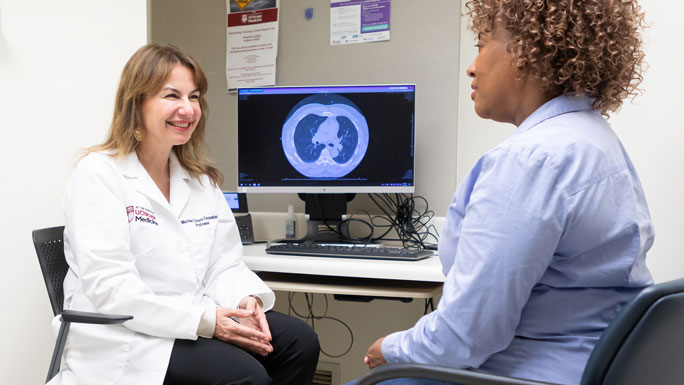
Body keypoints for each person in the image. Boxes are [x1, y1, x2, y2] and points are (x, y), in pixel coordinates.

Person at [358, 0, 653, 384]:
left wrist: (390, 348)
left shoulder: (530, 160)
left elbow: (467, 335)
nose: (472, 66)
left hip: (523, 373)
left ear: (530, 52)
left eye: (481, 45)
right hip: (598, 368)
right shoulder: (593, 139)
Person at [51, 44, 319, 385]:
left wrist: (245, 300)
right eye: (172, 96)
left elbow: (223, 264)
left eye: (193, 97)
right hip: (126, 334)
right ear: (137, 103)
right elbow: (112, 290)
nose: (187, 109)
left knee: (299, 342)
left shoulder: (199, 180)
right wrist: (209, 321)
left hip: (192, 316)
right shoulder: (98, 176)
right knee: (246, 375)